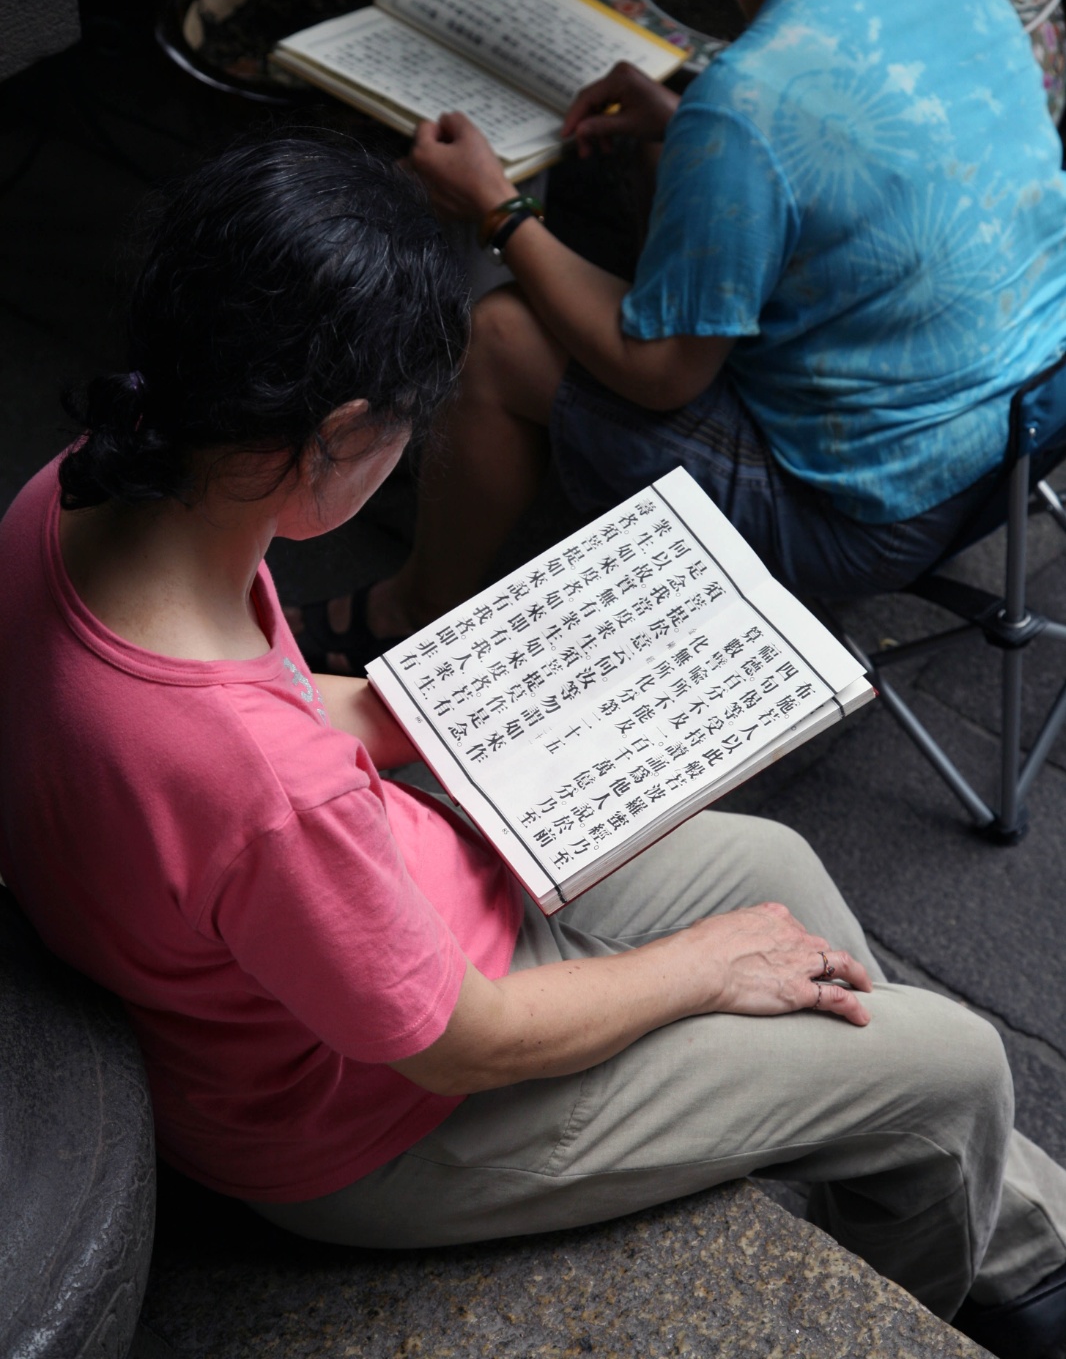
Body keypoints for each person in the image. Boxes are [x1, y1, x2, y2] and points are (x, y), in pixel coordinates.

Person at [1, 132, 1065, 1358]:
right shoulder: (262, 785)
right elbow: (461, 1040)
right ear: (336, 437)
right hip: (373, 1124)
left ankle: (989, 1220)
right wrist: (703, 970)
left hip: (367, 931)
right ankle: (954, 1292)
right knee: (955, 1066)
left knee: (776, 870)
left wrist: (464, 696)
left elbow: (272, 719)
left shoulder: (83, 486)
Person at [296, 0, 1066, 676]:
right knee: (661, 162)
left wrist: (497, 209)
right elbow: (869, 149)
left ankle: (410, 613)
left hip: (870, 515)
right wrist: (684, 122)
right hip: (1025, 432)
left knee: (499, 336)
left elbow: (660, 375)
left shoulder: (745, 108)